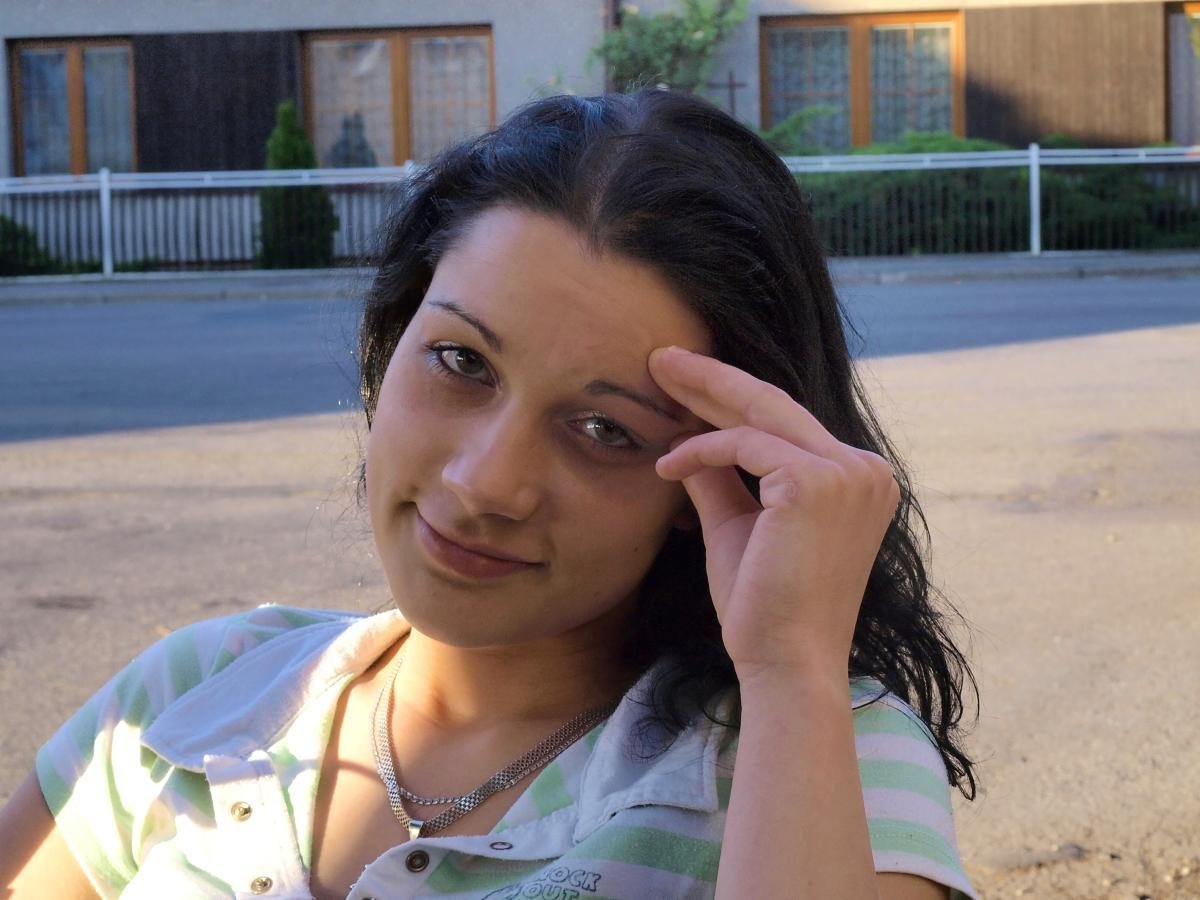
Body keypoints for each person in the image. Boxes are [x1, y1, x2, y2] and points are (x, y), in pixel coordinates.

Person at [0, 86, 981, 899]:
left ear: (718, 480)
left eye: (605, 430)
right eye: (461, 361)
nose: (485, 483)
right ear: (392, 339)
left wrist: (792, 667)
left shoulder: (818, 753)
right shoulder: (196, 692)